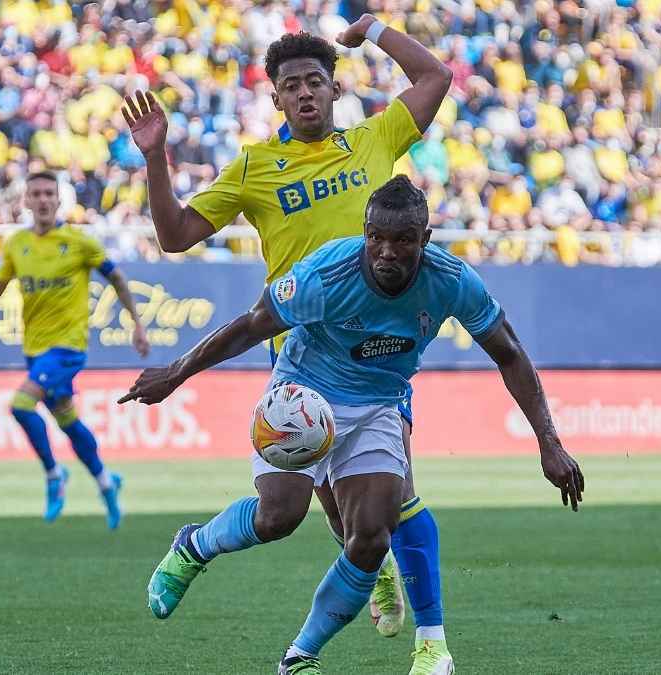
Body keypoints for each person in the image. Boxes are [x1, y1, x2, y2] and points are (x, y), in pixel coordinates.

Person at [120, 176, 585, 675]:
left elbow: (509, 353)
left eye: (403, 240)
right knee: (279, 517)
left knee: (371, 538)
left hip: (379, 404)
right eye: (376, 237)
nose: (386, 251)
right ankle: (194, 546)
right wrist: (176, 373)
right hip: (304, 394)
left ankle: (300, 656)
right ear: (365, 232)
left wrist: (549, 442)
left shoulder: (451, 280)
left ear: (425, 240)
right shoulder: (326, 275)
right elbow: (251, 326)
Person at [121, 17, 458, 672]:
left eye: (315, 81)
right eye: (291, 85)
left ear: (334, 89)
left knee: (388, 500)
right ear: (275, 98)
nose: (305, 92)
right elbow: (175, 235)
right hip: (301, 358)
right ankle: (195, 545)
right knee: (288, 514)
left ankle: (416, 629)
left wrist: (373, 28)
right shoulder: (256, 167)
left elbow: (435, 76)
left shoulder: (374, 139)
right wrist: (156, 158)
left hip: (379, 356)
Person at [0, 171, 150, 529]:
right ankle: (106, 481)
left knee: (21, 405)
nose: (43, 199)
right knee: (66, 419)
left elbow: (117, 277)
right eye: (37, 194)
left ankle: (53, 474)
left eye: (49, 193)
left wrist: (136, 323)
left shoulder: (79, 242)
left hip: (68, 348)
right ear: (26, 201)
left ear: (59, 200)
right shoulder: (16, 244)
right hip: (35, 349)